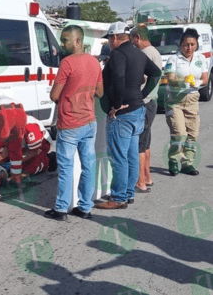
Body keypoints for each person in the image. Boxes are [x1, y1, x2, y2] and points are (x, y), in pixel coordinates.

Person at [96, 22, 161, 210]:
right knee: (132, 155)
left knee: (119, 158)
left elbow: (118, 78)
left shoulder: (117, 54)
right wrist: (142, 95)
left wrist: (117, 104)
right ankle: (128, 194)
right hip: (138, 110)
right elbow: (156, 73)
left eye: (109, 38)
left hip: (123, 114)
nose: (109, 42)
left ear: (115, 37)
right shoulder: (138, 53)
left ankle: (118, 198)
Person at [44, 25, 103, 221]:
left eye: (65, 40)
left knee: (66, 167)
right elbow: (100, 92)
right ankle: (85, 207)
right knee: (88, 165)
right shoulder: (95, 62)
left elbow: (54, 95)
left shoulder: (67, 63)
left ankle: (61, 209)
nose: (62, 44)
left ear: (77, 41)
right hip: (89, 122)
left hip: (70, 123)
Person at [164, 28, 209, 176]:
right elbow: (170, 77)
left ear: (196, 44)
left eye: (192, 44)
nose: (189, 48)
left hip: (192, 99)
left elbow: (205, 78)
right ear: (180, 44)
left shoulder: (200, 58)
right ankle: (173, 160)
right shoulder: (174, 59)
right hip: (175, 99)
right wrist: (184, 80)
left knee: (192, 134)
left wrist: (197, 82)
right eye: (186, 44)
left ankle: (187, 163)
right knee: (179, 134)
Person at [130, 25, 162, 192]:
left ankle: (140, 181)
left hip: (145, 101)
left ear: (137, 37)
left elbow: (142, 78)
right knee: (146, 142)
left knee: (139, 144)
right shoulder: (155, 52)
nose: (132, 43)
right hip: (152, 102)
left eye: (132, 39)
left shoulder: (144, 54)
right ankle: (147, 177)